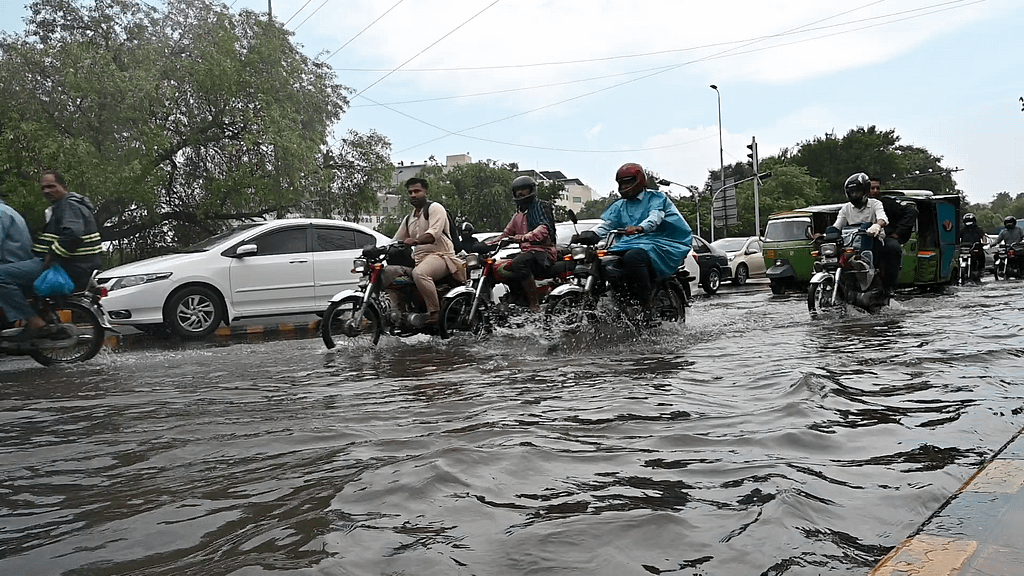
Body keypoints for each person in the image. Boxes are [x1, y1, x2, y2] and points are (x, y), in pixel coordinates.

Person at [0, 170, 102, 339]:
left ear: (63, 186)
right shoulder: (64, 206)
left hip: (68, 266)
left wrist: (51, 257)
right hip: (72, 265)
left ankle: (33, 321)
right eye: (43, 188)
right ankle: (43, 316)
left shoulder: (69, 205)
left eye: (51, 186)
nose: (46, 191)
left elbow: (72, 235)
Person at [586, 162, 692, 309]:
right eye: (622, 184)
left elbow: (655, 218)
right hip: (633, 243)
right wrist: (591, 234)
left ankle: (644, 304)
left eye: (628, 182)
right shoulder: (620, 205)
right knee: (605, 260)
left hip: (660, 242)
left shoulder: (656, 198)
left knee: (633, 258)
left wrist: (640, 227)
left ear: (639, 181)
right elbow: (608, 224)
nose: (624, 187)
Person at [382, 177, 465, 325]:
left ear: (426, 192)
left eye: (417, 191)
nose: (413, 195)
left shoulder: (435, 208)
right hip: (419, 259)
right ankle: (400, 312)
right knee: (389, 274)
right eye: (410, 192)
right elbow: (395, 239)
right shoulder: (409, 218)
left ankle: (435, 312)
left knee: (420, 273)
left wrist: (416, 240)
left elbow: (433, 234)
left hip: (441, 256)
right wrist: (377, 249)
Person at [489, 175, 557, 311]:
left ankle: (534, 304)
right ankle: (515, 296)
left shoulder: (541, 207)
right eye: (517, 190)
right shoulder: (518, 215)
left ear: (531, 190)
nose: (520, 192)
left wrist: (521, 238)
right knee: (497, 265)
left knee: (519, 262)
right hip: (527, 253)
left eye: (524, 189)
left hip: (542, 253)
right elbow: (505, 234)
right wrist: (488, 244)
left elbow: (543, 230)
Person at [868, 176, 917, 295]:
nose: (875, 191)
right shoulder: (854, 204)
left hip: (883, 235)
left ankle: (888, 285)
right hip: (861, 236)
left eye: (877, 188)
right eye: (872, 188)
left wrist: (898, 232)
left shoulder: (885, 203)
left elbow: (911, 211)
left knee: (893, 249)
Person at [832, 172, 888, 275]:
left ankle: (877, 277)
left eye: (857, 192)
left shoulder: (875, 203)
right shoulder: (846, 208)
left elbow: (882, 218)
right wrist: (826, 234)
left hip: (872, 240)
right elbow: (837, 225)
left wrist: (877, 225)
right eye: (852, 192)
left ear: (865, 191)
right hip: (850, 243)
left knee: (887, 251)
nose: (854, 195)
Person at [959, 212, 988, 279]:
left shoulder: (978, 229)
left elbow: (983, 237)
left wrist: (984, 242)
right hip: (965, 248)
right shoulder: (963, 230)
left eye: (970, 221)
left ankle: (981, 269)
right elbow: (958, 237)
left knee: (981, 255)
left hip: (976, 247)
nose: (969, 223)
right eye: (967, 221)